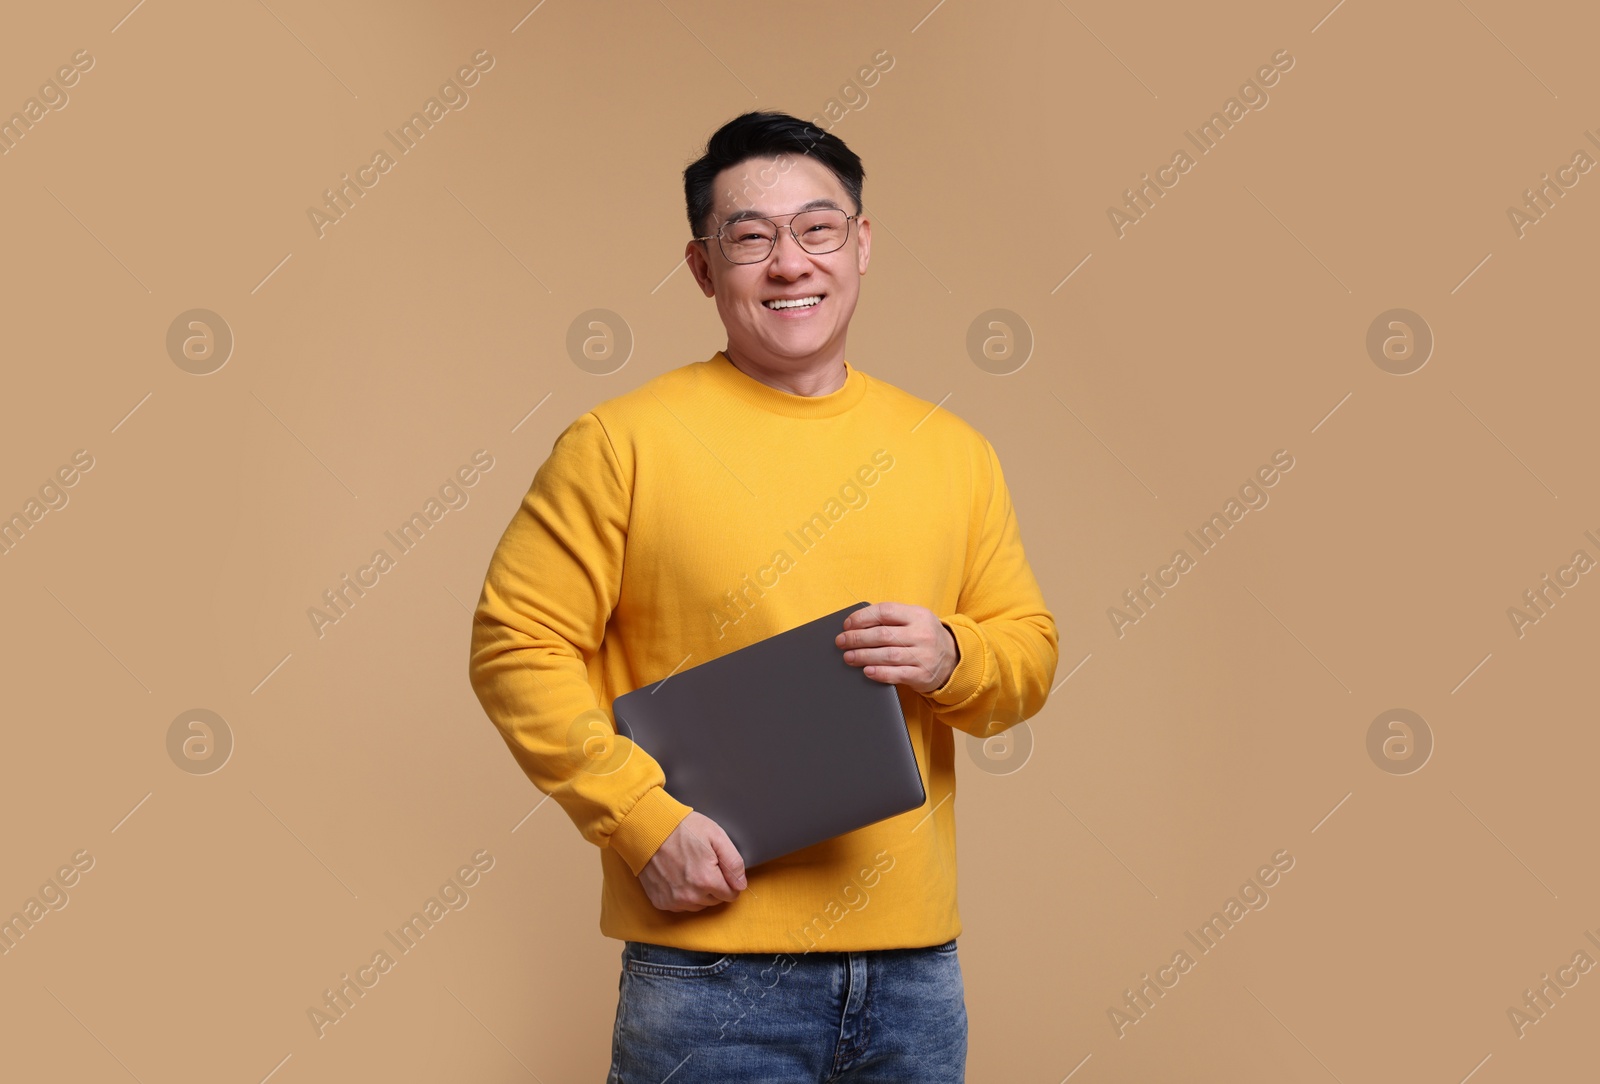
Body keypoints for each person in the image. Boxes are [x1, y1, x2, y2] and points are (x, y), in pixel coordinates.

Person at [467, 110, 1058, 1084]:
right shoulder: (620, 443)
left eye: (817, 228)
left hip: (915, 974)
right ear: (704, 268)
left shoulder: (953, 452)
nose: (790, 263)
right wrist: (638, 819)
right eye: (751, 237)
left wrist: (957, 655)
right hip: (707, 972)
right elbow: (515, 644)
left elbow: (1025, 655)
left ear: (861, 243)